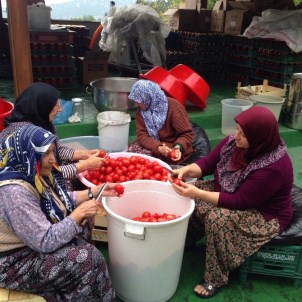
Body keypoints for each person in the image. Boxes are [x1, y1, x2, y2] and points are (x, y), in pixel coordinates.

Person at [170, 106, 294, 298]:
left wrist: (197, 193)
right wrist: (185, 171)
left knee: (218, 219)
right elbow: (207, 163)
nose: (235, 136)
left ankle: (215, 278)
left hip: (263, 214)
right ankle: (187, 239)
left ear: (258, 138)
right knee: (185, 195)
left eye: (243, 134)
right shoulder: (233, 143)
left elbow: (240, 201)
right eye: (237, 129)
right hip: (232, 191)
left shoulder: (273, 167)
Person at [0, 124, 118, 301]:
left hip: (30, 241)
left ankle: (72, 289)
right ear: (28, 154)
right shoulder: (16, 194)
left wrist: (95, 191)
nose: (52, 159)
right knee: (89, 259)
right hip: (13, 261)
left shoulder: (30, 170)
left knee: (85, 225)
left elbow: (59, 198)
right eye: (45, 153)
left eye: (52, 152)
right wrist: (76, 215)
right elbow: (44, 241)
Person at [0, 82, 104, 190]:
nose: (60, 109)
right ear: (42, 106)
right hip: (32, 186)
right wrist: (85, 165)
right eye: (55, 105)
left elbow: (58, 151)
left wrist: (85, 154)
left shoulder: (42, 122)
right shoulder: (28, 137)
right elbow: (48, 175)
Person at [127, 79, 194, 165]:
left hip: (171, 145)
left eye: (139, 101)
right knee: (131, 154)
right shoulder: (141, 112)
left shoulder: (175, 108)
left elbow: (187, 134)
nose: (137, 104)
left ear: (148, 97)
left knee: (146, 161)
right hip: (154, 144)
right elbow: (142, 135)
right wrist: (157, 147)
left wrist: (178, 147)